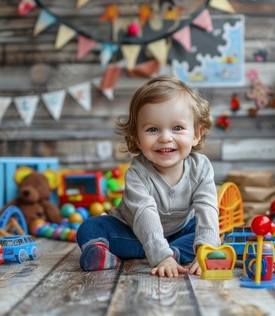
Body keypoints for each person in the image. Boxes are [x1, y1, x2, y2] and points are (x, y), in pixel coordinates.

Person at [76, 75, 220, 278]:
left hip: (177, 234)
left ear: (196, 133)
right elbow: (145, 213)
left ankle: (174, 253)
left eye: (177, 128)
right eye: (152, 129)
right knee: (89, 227)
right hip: (133, 234)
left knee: (206, 229)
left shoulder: (201, 167)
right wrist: (160, 255)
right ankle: (101, 253)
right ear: (137, 137)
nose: (165, 137)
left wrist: (207, 249)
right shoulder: (137, 173)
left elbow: (207, 207)